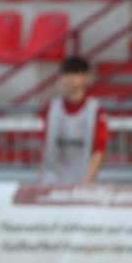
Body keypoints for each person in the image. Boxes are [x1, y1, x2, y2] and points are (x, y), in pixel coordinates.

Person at [40, 56, 109, 185]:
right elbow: (46, 146)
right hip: (53, 182)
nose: (70, 78)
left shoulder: (95, 110)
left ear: (86, 77)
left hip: (83, 181)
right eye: (66, 73)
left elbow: (99, 150)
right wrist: (41, 178)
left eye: (75, 73)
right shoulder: (52, 108)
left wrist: (87, 180)